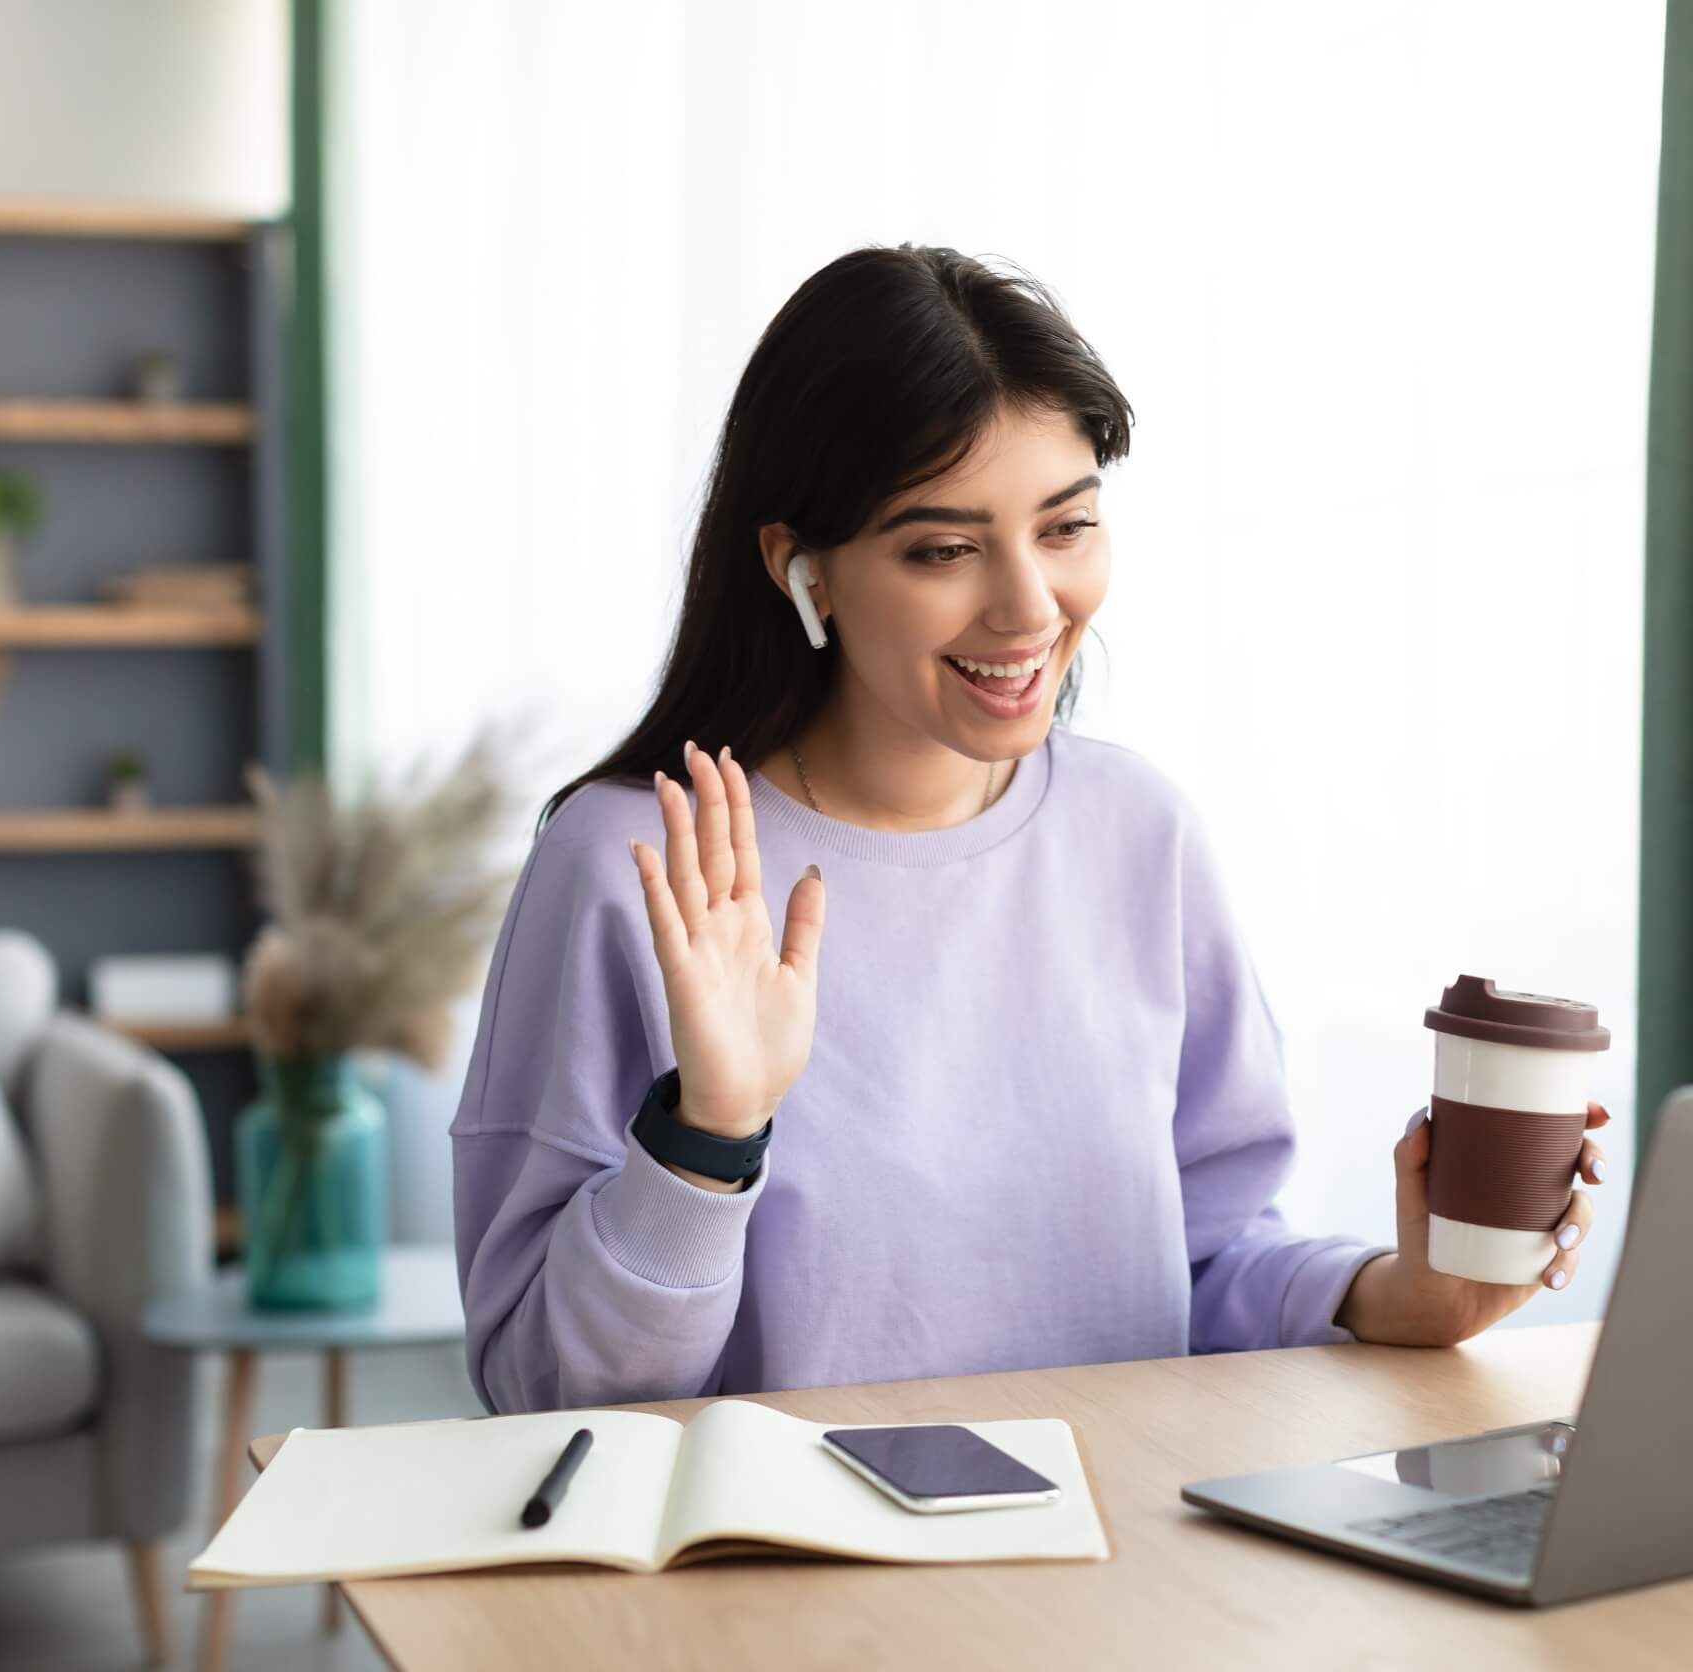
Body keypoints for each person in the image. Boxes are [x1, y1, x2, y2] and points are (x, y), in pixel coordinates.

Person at [449, 244, 1608, 1414]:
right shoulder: (637, 864)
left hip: (1123, 1560)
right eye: (944, 549)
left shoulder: (1135, 832)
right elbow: (543, 1393)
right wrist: (709, 1136)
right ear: (802, 568)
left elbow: (1202, 1262)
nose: (1029, 607)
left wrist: (1400, 1293)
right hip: (785, 1585)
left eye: (1066, 528)